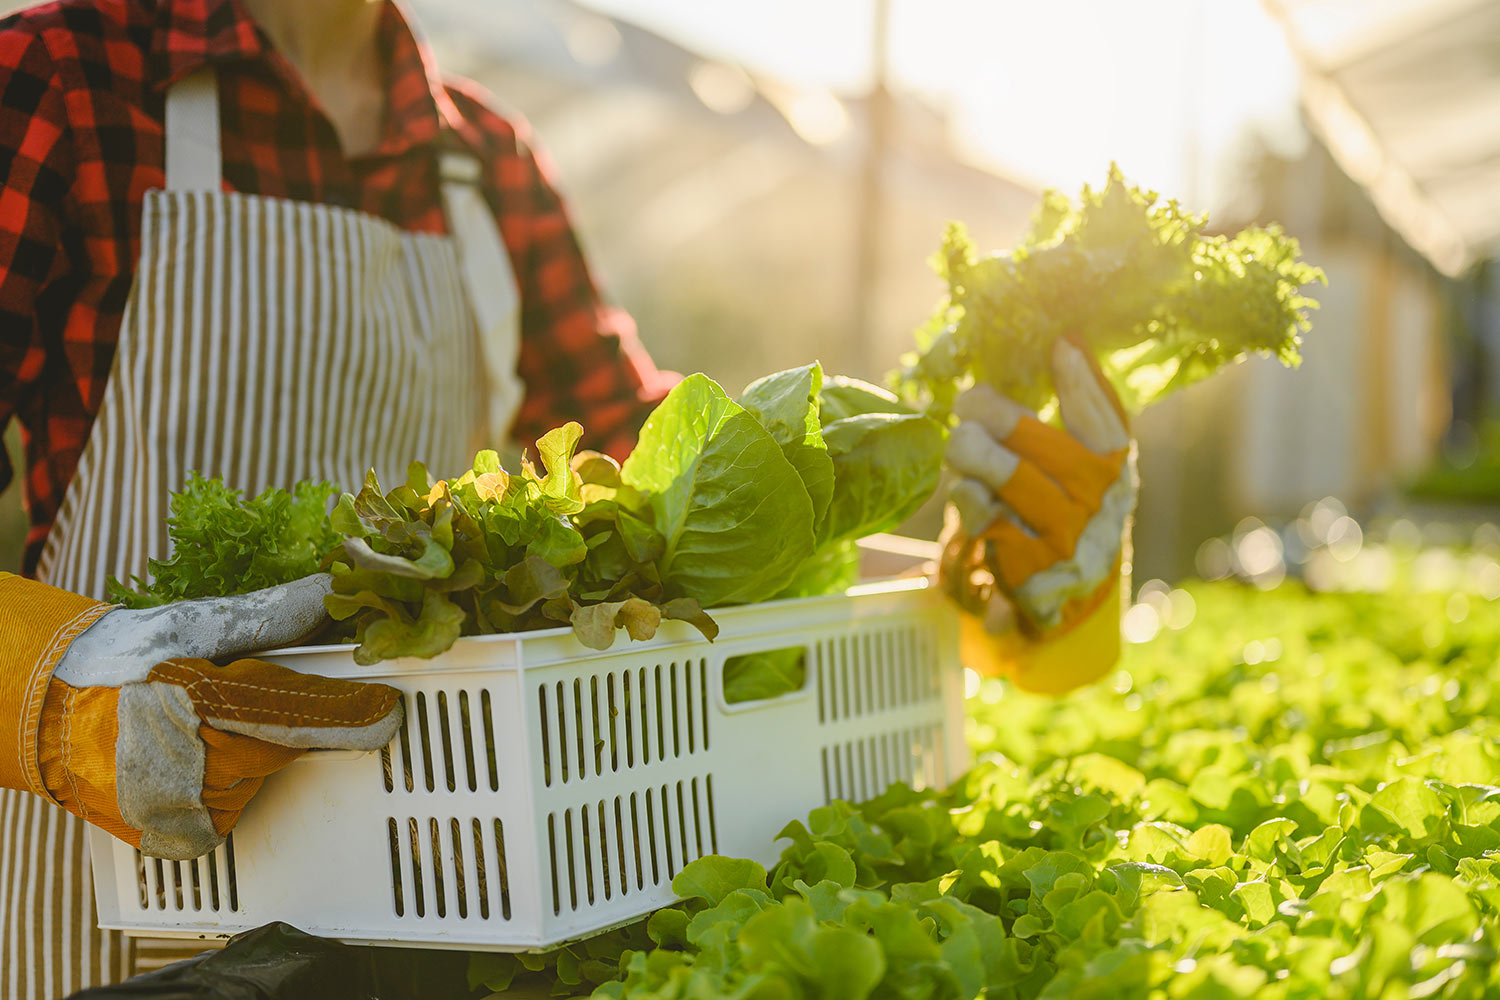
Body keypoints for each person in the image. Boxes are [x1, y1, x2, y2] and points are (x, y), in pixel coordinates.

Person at [0, 0, 1135, 995]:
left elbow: (657, 513)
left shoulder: (482, 165)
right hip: (123, 884)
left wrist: (978, 561)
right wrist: (53, 701)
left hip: (433, 899)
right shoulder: (60, 86)